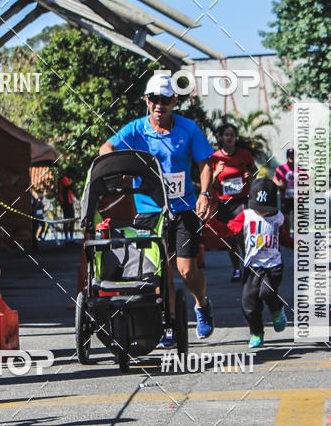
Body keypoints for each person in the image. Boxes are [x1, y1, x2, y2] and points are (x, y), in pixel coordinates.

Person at [99, 71, 215, 341]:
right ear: (146, 100)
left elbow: (205, 164)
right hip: (149, 209)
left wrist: (205, 194)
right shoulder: (136, 129)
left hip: (184, 208)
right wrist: (120, 164)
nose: (159, 105)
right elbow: (105, 148)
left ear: (174, 101)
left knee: (187, 270)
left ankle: (202, 304)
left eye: (165, 99)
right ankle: (169, 323)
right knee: (162, 272)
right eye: (154, 99)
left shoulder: (188, 129)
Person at [227, 178, 294, 348]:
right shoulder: (246, 215)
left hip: (273, 265)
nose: (262, 213)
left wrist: (296, 244)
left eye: (266, 210)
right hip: (252, 266)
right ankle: (256, 333)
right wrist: (209, 225)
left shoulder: (278, 217)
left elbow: (283, 237)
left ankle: (277, 309)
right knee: (248, 302)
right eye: (258, 209)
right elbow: (229, 229)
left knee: (267, 292)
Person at [209, 122, 256, 281]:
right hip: (224, 203)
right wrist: (216, 173)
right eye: (226, 135)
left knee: (242, 233)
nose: (229, 138)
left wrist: (250, 175)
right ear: (222, 138)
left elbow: (254, 170)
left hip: (240, 200)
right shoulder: (215, 157)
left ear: (236, 138)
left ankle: (248, 265)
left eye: (232, 135)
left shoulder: (244, 155)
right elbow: (211, 183)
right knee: (229, 238)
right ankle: (236, 268)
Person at [274, 149, 295, 219]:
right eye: (290, 156)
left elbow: (307, 181)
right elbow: (275, 179)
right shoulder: (281, 168)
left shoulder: (300, 169)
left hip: (298, 198)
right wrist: (280, 185)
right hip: (285, 198)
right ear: (287, 157)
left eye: (293, 156)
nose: (291, 158)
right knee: (285, 217)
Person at [58, 170, 75, 242]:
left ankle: (70, 237)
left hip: (69, 202)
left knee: (71, 220)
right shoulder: (64, 179)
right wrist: (74, 182)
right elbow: (69, 187)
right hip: (66, 202)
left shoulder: (67, 179)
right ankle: (67, 238)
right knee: (67, 220)